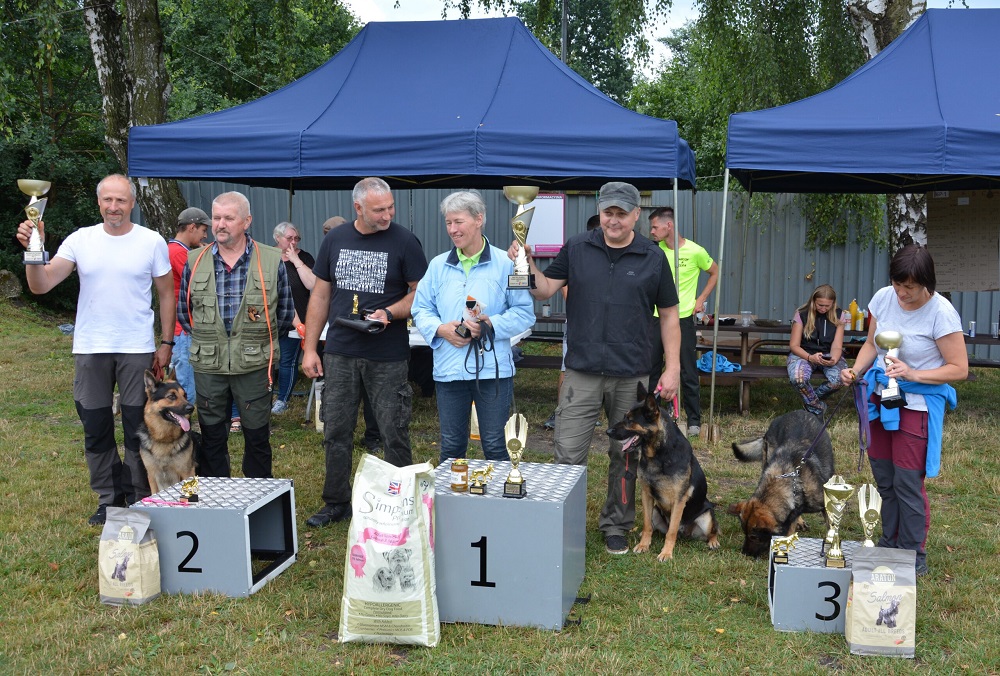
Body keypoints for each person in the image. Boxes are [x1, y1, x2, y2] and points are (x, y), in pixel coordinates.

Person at [510, 181, 681, 555]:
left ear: (636, 214)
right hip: (581, 372)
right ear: (600, 212)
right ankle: (562, 523)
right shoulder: (576, 247)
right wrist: (525, 262)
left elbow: (669, 315)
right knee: (567, 451)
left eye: (622, 213)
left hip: (631, 374)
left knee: (624, 455)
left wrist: (673, 369)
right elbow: (543, 290)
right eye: (608, 212)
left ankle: (617, 525)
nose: (614, 220)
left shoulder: (653, 257)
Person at [16, 174, 174, 525]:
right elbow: (41, 285)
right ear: (99, 202)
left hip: (136, 349)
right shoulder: (80, 240)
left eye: (121, 200)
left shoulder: (151, 241)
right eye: (108, 200)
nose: (114, 207)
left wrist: (166, 342)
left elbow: (166, 292)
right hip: (91, 348)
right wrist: (32, 250)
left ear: (132, 203)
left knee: (138, 427)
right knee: (96, 425)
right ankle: (109, 498)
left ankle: (138, 495)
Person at [302, 177, 428, 527]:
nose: (387, 214)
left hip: (387, 354)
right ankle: (336, 502)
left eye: (390, 207)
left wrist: (389, 312)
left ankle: (401, 501)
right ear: (358, 208)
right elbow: (321, 296)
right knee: (336, 429)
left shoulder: (405, 241)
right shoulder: (335, 239)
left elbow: (420, 293)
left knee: (393, 428)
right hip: (340, 351)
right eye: (379, 210)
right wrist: (311, 348)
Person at [841, 244, 967, 577]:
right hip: (881, 399)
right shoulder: (883, 298)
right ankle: (889, 542)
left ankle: (913, 555)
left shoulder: (942, 313)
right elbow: (871, 343)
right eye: (898, 284)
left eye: (909, 287)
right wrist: (856, 371)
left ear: (927, 282)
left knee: (907, 482)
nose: (901, 293)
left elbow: (959, 368)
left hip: (918, 403)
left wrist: (914, 373)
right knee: (885, 479)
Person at [177, 191, 294, 479]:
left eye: (229, 218)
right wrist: (215, 341)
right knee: (212, 439)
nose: (220, 224)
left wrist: (250, 340)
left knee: (257, 438)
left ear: (247, 221)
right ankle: (218, 501)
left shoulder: (271, 260)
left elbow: (284, 314)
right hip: (209, 365)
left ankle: (257, 500)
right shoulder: (194, 261)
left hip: (254, 365)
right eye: (216, 218)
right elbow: (185, 313)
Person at [412, 190, 534, 463]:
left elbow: (524, 313)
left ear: (479, 219)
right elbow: (420, 308)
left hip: (493, 371)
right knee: (452, 446)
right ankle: (454, 504)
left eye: (458, 222)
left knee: (496, 446)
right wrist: (441, 329)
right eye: (448, 223)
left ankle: (500, 506)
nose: (452, 230)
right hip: (449, 369)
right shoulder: (437, 265)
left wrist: (490, 324)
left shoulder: (508, 263)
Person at [647, 207, 718, 437]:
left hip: (684, 317)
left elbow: (715, 272)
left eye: (655, 227)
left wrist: (701, 298)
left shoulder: (695, 251)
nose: (651, 232)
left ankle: (694, 419)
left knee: (687, 369)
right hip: (656, 317)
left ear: (669, 226)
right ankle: (653, 415)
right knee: (652, 368)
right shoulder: (653, 251)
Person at [543, 214, 600, 430]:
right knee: (568, 366)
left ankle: (589, 410)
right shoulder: (577, 251)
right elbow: (563, 287)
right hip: (579, 323)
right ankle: (561, 412)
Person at [271, 221, 315, 414]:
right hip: (274, 318)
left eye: (296, 238)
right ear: (277, 238)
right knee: (268, 360)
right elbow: (276, 294)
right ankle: (264, 396)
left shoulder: (305, 257)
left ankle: (282, 400)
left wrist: (296, 261)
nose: (293, 242)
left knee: (288, 360)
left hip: (299, 321)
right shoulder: (269, 258)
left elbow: (312, 284)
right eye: (289, 238)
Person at [168, 207, 210, 402]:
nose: (205, 235)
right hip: (183, 325)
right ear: (192, 227)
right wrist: (206, 257)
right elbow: (199, 283)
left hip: (180, 323)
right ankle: (184, 419)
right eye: (203, 230)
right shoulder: (179, 253)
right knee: (187, 377)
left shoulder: (177, 249)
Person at [788, 284, 849, 415]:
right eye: (820, 305)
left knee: (841, 379)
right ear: (813, 301)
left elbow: (837, 346)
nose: (823, 308)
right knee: (798, 379)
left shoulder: (840, 315)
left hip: (828, 353)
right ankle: (817, 407)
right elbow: (794, 345)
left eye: (827, 306)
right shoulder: (801, 314)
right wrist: (810, 358)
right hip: (803, 354)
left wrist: (833, 359)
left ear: (833, 304)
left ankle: (810, 398)